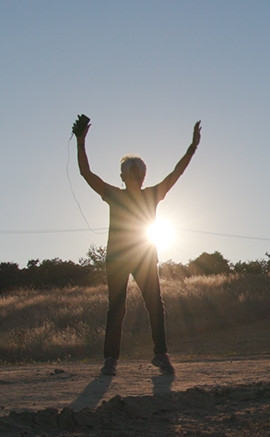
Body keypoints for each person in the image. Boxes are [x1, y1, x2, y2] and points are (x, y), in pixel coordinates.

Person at [75, 116, 201, 376]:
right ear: (138, 176)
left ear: (131, 175)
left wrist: (192, 148)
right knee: (120, 307)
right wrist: (80, 142)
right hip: (123, 258)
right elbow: (85, 173)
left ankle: (155, 355)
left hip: (139, 256)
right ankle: (113, 359)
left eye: (128, 172)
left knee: (151, 305)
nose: (129, 175)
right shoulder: (126, 195)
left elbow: (177, 172)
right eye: (131, 172)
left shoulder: (138, 195)